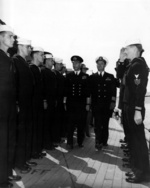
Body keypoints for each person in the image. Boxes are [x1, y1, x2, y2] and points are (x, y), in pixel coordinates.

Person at [122, 39, 150, 183]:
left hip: (134, 108)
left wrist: (138, 110)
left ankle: (142, 173)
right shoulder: (132, 64)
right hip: (130, 107)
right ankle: (137, 169)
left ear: (135, 49)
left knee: (138, 141)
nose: (125, 51)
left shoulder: (138, 65)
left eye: (127, 48)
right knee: (133, 140)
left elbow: (139, 90)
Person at [0, 24, 19, 188]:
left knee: (8, 142)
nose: (14, 39)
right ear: (0, 37)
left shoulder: (6, 57)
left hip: (9, 108)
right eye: (10, 36)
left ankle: (6, 174)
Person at [13, 38, 35, 174]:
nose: (30, 50)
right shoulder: (15, 61)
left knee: (25, 134)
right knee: (20, 135)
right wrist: (16, 103)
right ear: (21, 46)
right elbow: (13, 83)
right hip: (20, 106)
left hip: (26, 105)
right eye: (28, 47)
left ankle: (24, 160)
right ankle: (19, 164)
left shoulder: (23, 63)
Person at [89, 56, 116, 151]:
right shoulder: (92, 77)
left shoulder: (110, 77)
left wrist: (112, 102)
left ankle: (104, 141)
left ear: (105, 65)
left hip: (106, 105)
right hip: (96, 105)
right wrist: (89, 104)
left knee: (105, 124)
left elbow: (113, 91)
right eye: (98, 64)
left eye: (101, 64)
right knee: (97, 125)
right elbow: (90, 92)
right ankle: (98, 142)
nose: (99, 65)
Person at [64, 55, 90, 149]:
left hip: (81, 104)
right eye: (73, 63)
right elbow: (65, 91)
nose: (75, 64)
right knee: (70, 123)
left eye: (77, 63)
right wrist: (65, 103)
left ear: (80, 64)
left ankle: (80, 142)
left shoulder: (85, 76)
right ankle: (69, 142)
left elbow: (88, 92)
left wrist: (87, 104)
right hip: (71, 103)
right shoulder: (68, 76)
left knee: (81, 124)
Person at [30, 47, 45, 158]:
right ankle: (34, 152)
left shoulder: (38, 69)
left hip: (38, 103)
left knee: (39, 127)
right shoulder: (31, 69)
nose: (43, 57)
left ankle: (37, 150)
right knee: (34, 129)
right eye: (41, 55)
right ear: (35, 55)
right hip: (33, 104)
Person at [41, 53, 57, 150]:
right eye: (51, 60)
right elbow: (43, 88)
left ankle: (49, 142)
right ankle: (46, 144)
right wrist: (44, 100)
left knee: (50, 123)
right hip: (46, 101)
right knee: (46, 123)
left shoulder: (50, 72)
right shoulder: (43, 72)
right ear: (46, 61)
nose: (52, 62)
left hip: (51, 101)